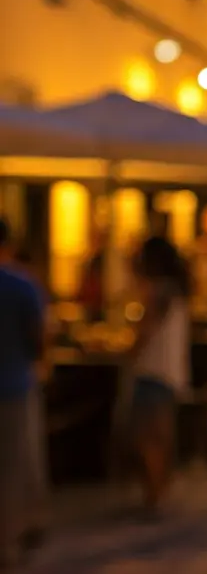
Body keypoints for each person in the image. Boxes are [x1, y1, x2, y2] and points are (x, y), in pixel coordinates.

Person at [127, 236, 192, 517]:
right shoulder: (176, 290)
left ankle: (154, 496)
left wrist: (130, 352)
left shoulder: (160, 291)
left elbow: (145, 330)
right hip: (170, 372)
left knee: (149, 437)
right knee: (161, 436)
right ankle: (159, 493)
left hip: (154, 371)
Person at [0, 219, 47, 568]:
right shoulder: (22, 285)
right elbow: (39, 338)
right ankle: (9, 542)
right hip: (14, 386)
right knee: (12, 468)